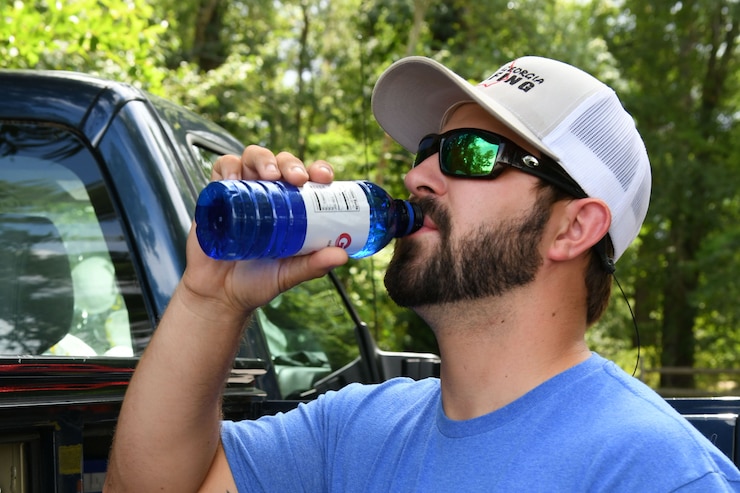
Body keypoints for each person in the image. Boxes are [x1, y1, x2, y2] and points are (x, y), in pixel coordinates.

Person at [104, 56, 740, 492]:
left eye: (469, 153)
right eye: (428, 151)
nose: (416, 177)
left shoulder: (650, 470)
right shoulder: (352, 431)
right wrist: (208, 301)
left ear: (574, 228)